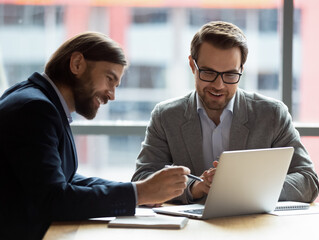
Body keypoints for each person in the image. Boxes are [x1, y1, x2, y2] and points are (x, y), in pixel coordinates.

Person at [0, 32, 190, 240]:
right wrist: (140, 193)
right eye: (110, 79)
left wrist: (138, 192)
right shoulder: (36, 109)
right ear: (77, 64)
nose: (112, 95)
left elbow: (66, 179)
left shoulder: (39, 100)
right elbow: (54, 200)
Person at [132, 21, 319, 205]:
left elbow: (308, 180)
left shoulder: (271, 115)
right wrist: (193, 187)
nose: (218, 85)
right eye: (208, 72)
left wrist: (253, 188)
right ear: (192, 65)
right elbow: (142, 179)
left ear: (241, 70)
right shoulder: (166, 116)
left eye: (230, 75)